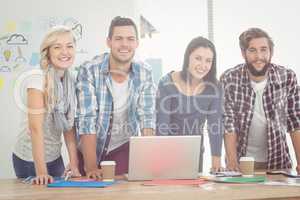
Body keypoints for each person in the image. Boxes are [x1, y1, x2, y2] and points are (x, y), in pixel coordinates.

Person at [76, 16, 156, 178]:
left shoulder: (145, 72)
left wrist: (149, 162)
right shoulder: (89, 70)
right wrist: (90, 167)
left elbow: (147, 117)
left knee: (122, 192)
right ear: (109, 42)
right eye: (118, 38)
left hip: (122, 148)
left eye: (130, 39)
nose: (125, 44)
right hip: (90, 149)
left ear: (136, 43)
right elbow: (87, 120)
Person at [220, 28, 300, 173]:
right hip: (241, 164)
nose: (259, 56)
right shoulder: (230, 78)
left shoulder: (287, 77)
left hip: (278, 163)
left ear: (271, 52)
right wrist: (232, 162)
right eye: (252, 50)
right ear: (243, 53)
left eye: (264, 50)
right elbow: (228, 123)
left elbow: (295, 122)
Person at [12, 26, 81, 185]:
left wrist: (74, 163)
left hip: (54, 157)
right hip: (29, 159)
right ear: (47, 52)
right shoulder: (37, 78)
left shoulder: (71, 80)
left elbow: (68, 125)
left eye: (69, 46)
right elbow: (35, 128)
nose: (65, 52)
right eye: (57, 47)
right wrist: (41, 172)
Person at [156, 36, 223, 172]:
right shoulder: (166, 83)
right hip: (167, 154)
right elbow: (162, 125)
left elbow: (214, 125)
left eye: (208, 61)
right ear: (188, 58)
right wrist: (160, 161)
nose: (203, 66)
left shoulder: (214, 87)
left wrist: (216, 161)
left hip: (194, 154)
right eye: (198, 58)